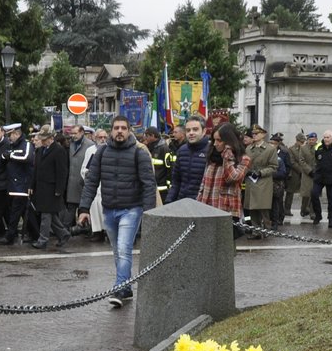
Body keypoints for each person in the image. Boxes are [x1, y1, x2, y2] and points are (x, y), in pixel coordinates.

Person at [77, 115, 155, 307]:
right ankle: (127, 288)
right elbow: (91, 181)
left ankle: (119, 289)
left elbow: (148, 185)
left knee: (123, 248)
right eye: (116, 128)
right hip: (109, 209)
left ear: (129, 131)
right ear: (111, 131)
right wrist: (84, 208)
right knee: (117, 251)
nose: (119, 131)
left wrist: (149, 213)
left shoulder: (140, 153)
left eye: (123, 128)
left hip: (131, 208)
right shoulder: (102, 153)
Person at [197, 122, 251, 231]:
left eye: (219, 140)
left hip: (226, 211)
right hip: (206, 209)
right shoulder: (212, 158)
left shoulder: (243, 159)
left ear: (229, 142)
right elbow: (203, 184)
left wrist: (227, 155)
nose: (215, 144)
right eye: (214, 140)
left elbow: (232, 177)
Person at [31, 129, 71, 250]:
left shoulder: (59, 150)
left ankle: (43, 240)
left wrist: (59, 189)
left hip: (52, 188)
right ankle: (63, 234)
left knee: (46, 215)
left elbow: (62, 172)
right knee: (49, 214)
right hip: (41, 188)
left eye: (44, 138)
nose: (41, 141)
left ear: (50, 138)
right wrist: (32, 186)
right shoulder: (41, 150)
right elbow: (36, 170)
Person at [2, 123, 34, 245]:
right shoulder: (12, 145)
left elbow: (27, 157)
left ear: (17, 134)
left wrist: (10, 155)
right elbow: (3, 157)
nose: (9, 138)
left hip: (22, 185)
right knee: (24, 213)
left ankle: (10, 236)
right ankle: (35, 234)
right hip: (13, 186)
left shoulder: (26, 144)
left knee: (16, 213)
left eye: (10, 135)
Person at [242, 126, 277, 236]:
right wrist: (245, 170)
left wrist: (261, 172)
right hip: (251, 181)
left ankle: (267, 229)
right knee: (252, 208)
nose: (254, 135)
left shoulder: (270, 149)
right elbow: (244, 163)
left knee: (263, 209)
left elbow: (274, 167)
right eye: (253, 134)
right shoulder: (248, 149)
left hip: (263, 182)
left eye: (257, 133)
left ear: (263, 135)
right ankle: (255, 230)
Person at [167, 118, 210, 203]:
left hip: (203, 205)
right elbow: (176, 181)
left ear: (204, 131)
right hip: (182, 203)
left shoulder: (211, 151)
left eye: (195, 129)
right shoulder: (182, 151)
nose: (191, 133)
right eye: (188, 130)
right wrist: (169, 201)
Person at [311, 134, 332, 228]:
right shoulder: (318, 147)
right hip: (320, 176)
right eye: (325, 137)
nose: (326, 139)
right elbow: (316, 158)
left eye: (328, 137)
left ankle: (331, 219)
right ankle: (318, 215)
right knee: (314, 194)